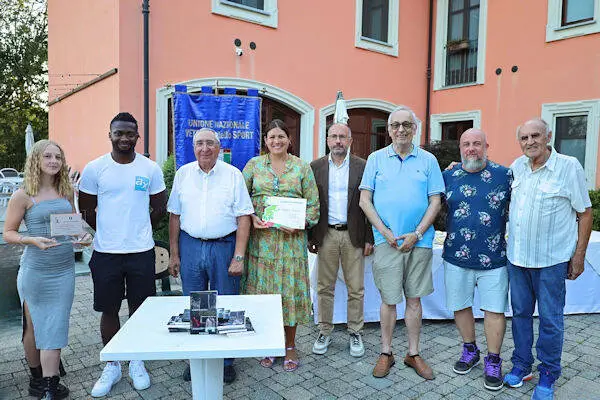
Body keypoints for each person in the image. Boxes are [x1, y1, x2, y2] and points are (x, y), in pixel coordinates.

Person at [79, 112, 167, 397]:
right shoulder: (95, 169)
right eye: (119, 133)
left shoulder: (150, 168)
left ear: (137, 136)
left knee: (140, 309)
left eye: (130, 133)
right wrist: (108, 231)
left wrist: (137, 230)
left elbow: (159, 209)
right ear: (110, 135)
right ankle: (113, 363)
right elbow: (87, 209)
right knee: (109, 308)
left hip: (141, 251)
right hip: (106, 252)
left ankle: (137, 360)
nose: (125, 138)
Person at [503, 118, 592, 400]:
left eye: (535, 136)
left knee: (551, 320)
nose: (530, 142)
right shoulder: (517, 167)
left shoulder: (568, 167)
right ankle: (522, 365)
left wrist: (579, 255)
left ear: (548, 136)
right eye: (524, 137)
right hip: (518, 260)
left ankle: (549, 372)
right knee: (519, 315)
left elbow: (585, 213)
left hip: (551, 261)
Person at [359, 105, 444, 379]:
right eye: (395, 125)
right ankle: (386, 352)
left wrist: (417, 233)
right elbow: (364, 200)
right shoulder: (375, 159)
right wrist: (384, 232)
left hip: (419, 242)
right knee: (388, 299)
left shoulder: (428, 160)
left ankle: (413, 353)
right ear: (388, 129)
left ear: (414, 128)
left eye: (406, 124)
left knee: (414, 300)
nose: (401, 130)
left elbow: (435, 201)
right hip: (388, 242)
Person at [167, 128, 253, 383]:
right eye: (199, 143)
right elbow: (174, 215)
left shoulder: (233, 175)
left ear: (219, 147)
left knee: (225, 302)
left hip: (224, 246)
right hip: (191, 245)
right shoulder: (183, 174)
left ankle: (226, 361)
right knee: (197, 303)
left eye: (210, 143)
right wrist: (174, 254)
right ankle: (198, 358)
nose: (204, 148)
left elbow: (243, 217)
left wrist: (239, 256)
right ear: (194, 148)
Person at [3, 140, 80, 399]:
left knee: (55, 325)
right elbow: (9, 232)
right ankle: (38, 379)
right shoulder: (23, 194)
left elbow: (72, 228)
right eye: (47, 156)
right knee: (33, 327)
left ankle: (49, 385)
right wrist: (31, 239)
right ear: (36, 159)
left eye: (57, 157)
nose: (53, 161)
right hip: (35, 270)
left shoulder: (66, 190)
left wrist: (83, 238)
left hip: (64, 270)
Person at [242, 119, 319, 372]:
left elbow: (314, 205)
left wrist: (301, 224)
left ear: (289, 139)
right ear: (265, 141)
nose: (277, 141)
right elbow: (240, 201)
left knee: (288, 295)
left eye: (281, 136)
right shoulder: (254, 165)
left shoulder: (301, 167)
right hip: (261, 245)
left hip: (291, 244)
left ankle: (290, 345)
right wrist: (251, 218)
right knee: (264, 296)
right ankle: (268, 343)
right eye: (272, 137)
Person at [442, 128, 512, 391]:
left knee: (494, 310)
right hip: (455, 255)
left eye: (477, 144)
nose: (471, 148)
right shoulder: (448, 175)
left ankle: (493, 360)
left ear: (486, 146)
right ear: (460, 148)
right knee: (460, 305)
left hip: (494, 257)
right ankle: (470, 349)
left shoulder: (505, 175)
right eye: (466, 144)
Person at [308, 123, 373, 357]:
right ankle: (324, 330)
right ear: (327, 140)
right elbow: (310, 203)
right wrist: (310, 236)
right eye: (334, 136)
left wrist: (369, 237)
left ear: (350, 141)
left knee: (356, 288)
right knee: (324, 287)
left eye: (342, 137)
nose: (338, 141)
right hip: (326, 235)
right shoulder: (314, 167)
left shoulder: (362, 167)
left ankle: (355, 332)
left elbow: (369, 205)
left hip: (353, 234)